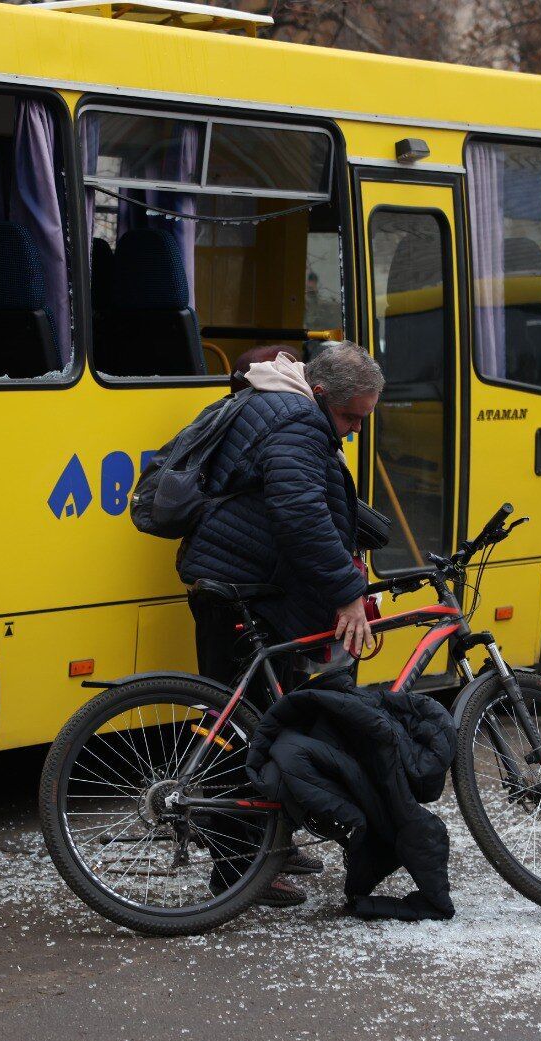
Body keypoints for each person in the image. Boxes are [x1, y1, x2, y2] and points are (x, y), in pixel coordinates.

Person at [181, 342, 383, 907]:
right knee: (242, 732)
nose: (354, 431)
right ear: (321, 396)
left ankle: (271, 843)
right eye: (350, 418)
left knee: (269, 720)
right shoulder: (297, 419)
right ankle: (238, 872)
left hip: (254, 589)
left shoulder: (283, 408)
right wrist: (347, 595)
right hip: (245, 593)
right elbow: (298, 510)